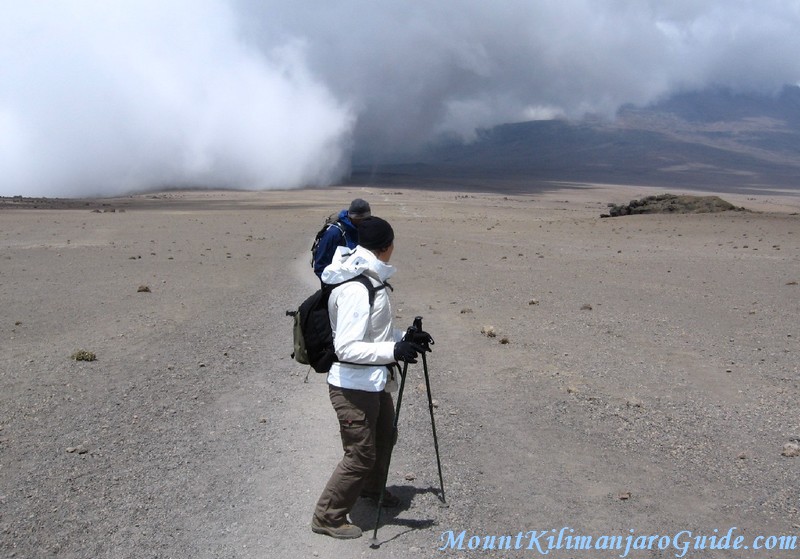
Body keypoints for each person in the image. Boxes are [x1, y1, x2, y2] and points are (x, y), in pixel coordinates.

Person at [311, 216, 431, 540]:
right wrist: (394, 351)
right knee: (360, 454)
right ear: (387, 247)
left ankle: (372, 490)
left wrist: (406, 337)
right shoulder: (356, 288)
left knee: (385, 436)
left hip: (372, 382)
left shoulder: (369, 279)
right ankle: (327, 516)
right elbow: (347, 347)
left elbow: (372, 334)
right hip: (352, 387)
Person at [312, 198, 371, 278]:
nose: (363, 222)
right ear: (352, 217)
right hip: (335, 279)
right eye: (359, 219)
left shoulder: (365, 228)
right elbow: (320, 266)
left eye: (366, 219)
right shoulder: (334, 233)